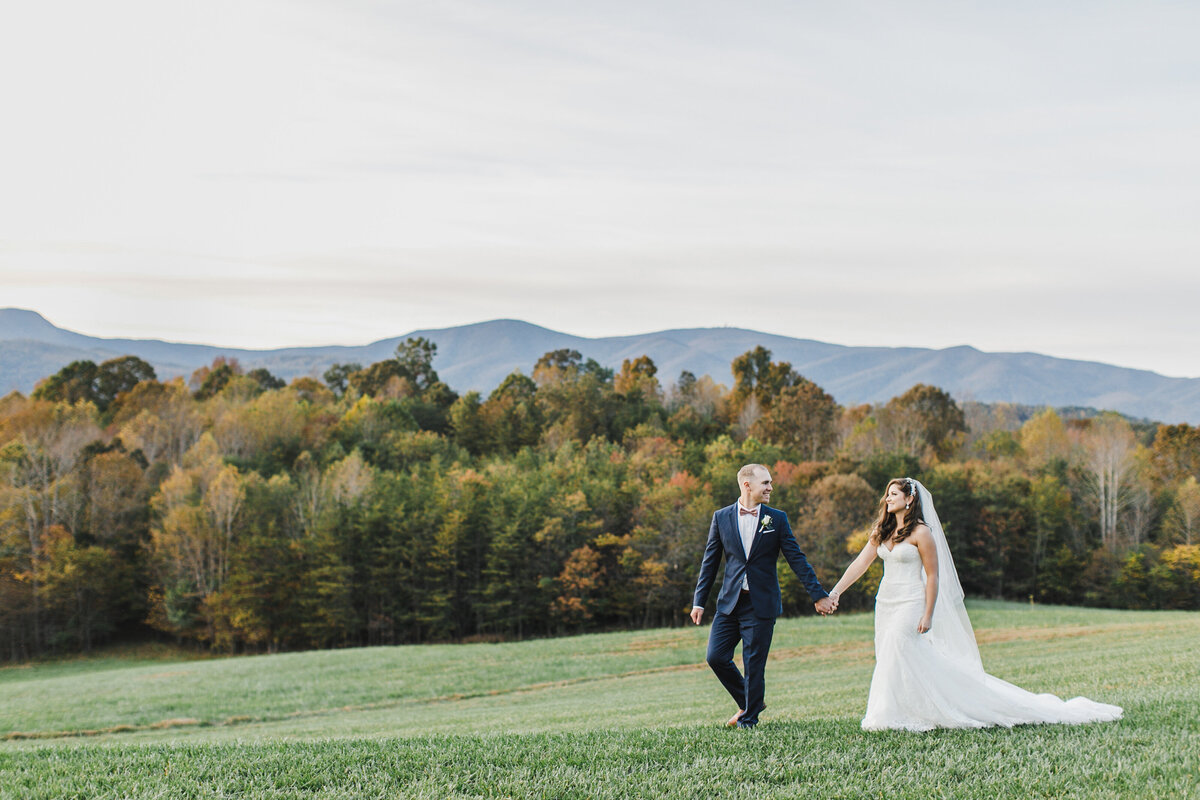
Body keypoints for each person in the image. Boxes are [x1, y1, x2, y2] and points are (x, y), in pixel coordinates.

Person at [828, 477, 1123, 731]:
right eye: (887, 493)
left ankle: (887, 715)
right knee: (891, 653)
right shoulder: (881, 531)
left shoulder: (921, 533)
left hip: (912, 601)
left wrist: (928, 613)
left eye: (893, 494)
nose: (887, 498)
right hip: (887, 601)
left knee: (896, 644)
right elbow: (861, 564)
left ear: (909, 500)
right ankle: (906, 710)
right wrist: (836, 592)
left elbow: (933, 576)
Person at [690, 463, 835, 728]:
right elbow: (709, 562)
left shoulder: (777, 519)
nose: (770, 487)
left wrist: (818, 594)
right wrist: (699, 601)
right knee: (716, 656)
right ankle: (750, 701)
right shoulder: (721, 517)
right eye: (765, 483)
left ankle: (749, 720)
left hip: (761, 604)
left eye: (770, 482)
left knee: (753, 663)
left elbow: (797, 559)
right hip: (730, 603)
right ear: (747, 485)